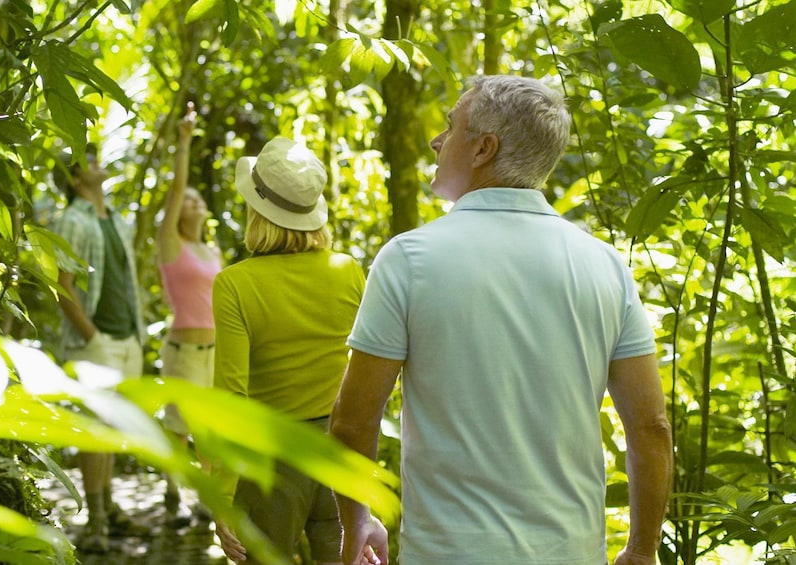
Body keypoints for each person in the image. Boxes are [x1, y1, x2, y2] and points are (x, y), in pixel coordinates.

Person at [329, 75, 673, 565]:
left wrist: (357, 521)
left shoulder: (409, 258)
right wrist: (642, 551)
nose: (436, 140)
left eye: (450, 127)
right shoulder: (604, 265)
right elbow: (651, 425)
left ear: (483, 149)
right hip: (571, 553)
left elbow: (352, 420)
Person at [212, 136, 365, 564]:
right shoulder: (347, 270)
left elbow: (230, 395)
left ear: (256, 210)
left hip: (270, 462)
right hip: (338, 452)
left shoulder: (235, 284)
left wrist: (221, 494)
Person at [50, 142, 146, 553]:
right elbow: (62, 285)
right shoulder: (73, 219)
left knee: (113, 430)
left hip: (128, 338)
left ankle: (107, 511)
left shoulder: (117, 221)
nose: (96, 163)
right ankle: (95, 524)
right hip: (97, 342)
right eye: (86, 162)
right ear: (74, 179)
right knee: (95, 432)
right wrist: (93, 337)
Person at [157, 102, 222, 455]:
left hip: (215, 351)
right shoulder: (171, 244)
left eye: (199, 200)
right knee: (181, 427)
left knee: (210, 432)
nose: (194, 203)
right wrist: (184, 141)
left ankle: (208, 506)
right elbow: (176, 190)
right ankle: (175, 494)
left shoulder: (212, 252)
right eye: (188, 200)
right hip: (184, 352)